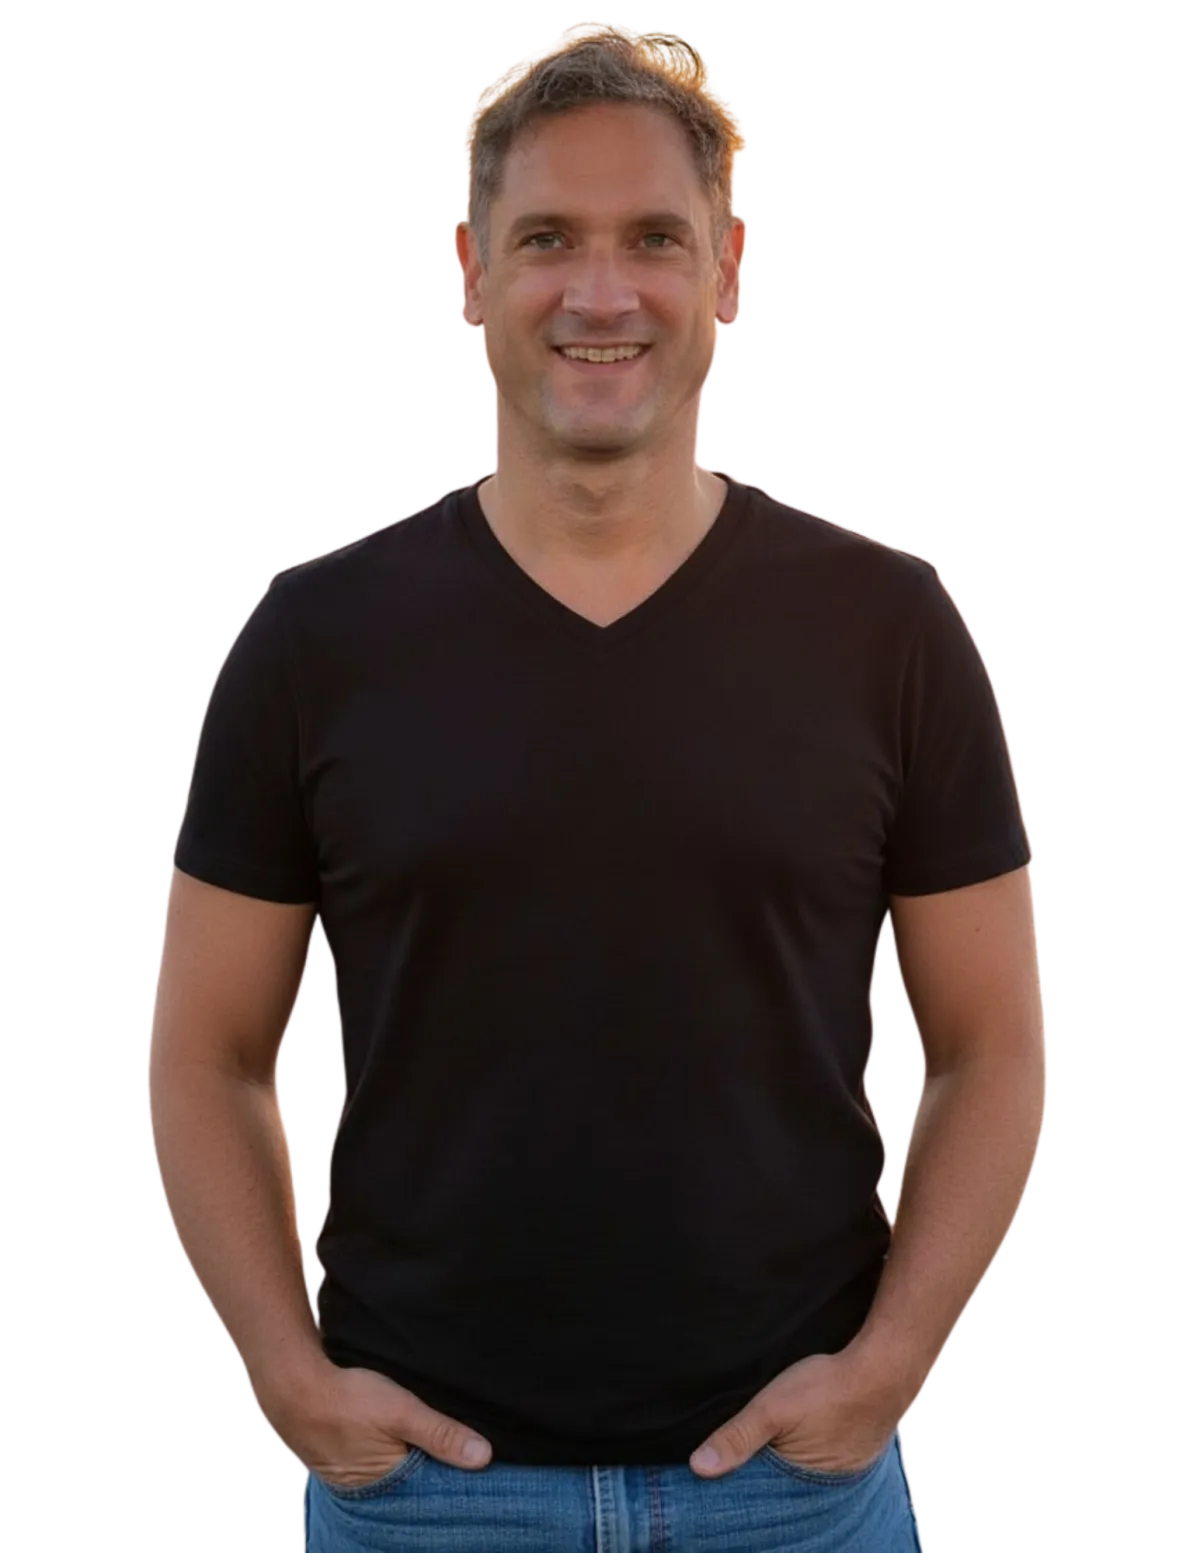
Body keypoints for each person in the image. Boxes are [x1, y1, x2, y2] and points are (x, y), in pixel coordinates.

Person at [148, 23, 1045, 1552]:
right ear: (471, 274)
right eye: (549, 238)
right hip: (421, 1496)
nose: (602, 292)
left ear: (729, 272)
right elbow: (206, 1054)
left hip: (795, 1494)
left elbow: (992, 1045)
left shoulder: (890, 627)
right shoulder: (312, 639)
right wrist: (285, 1375)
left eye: (654, 240)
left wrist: (891, 1368)